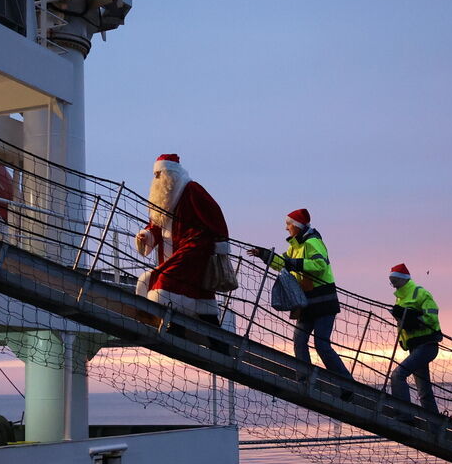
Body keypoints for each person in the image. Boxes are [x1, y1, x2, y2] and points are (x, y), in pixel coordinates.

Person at [247, 209, 352, 381]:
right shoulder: (295, 247)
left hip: (323, 302)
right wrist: (264, 255)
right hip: (307, 303)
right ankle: (304, 378)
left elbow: (320, 265)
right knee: (299, 339)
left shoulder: (312, 242)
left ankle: (347, 383)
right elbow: (282, 263)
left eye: (288, 225)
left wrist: (293, 263)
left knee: (321, 344)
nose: (286, 229)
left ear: (296, 225)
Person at [135, 154, 230, 333]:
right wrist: (146, 235)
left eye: (158, 174)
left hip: (194, 250)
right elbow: (157, 224)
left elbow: (214, 215)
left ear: (170, 173)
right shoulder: (163, 198)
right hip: (175, 252)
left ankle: (179, 329)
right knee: (198, 296)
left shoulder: (191, 189)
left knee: (166, 282)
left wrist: (218, 242)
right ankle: (212, 341)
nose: (156, 179)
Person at [388, 263, 443, 414]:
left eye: (394, 281)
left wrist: (410, 318)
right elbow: (403, 323)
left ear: (403, 280)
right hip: (414, 347)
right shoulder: (400, 299)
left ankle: (404, 416)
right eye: (391, 282)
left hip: (427, 345)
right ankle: (434, 428)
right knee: (424, 391)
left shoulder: (420, 293)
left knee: (398, 375)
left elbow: (431, 317)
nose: (393, 285)